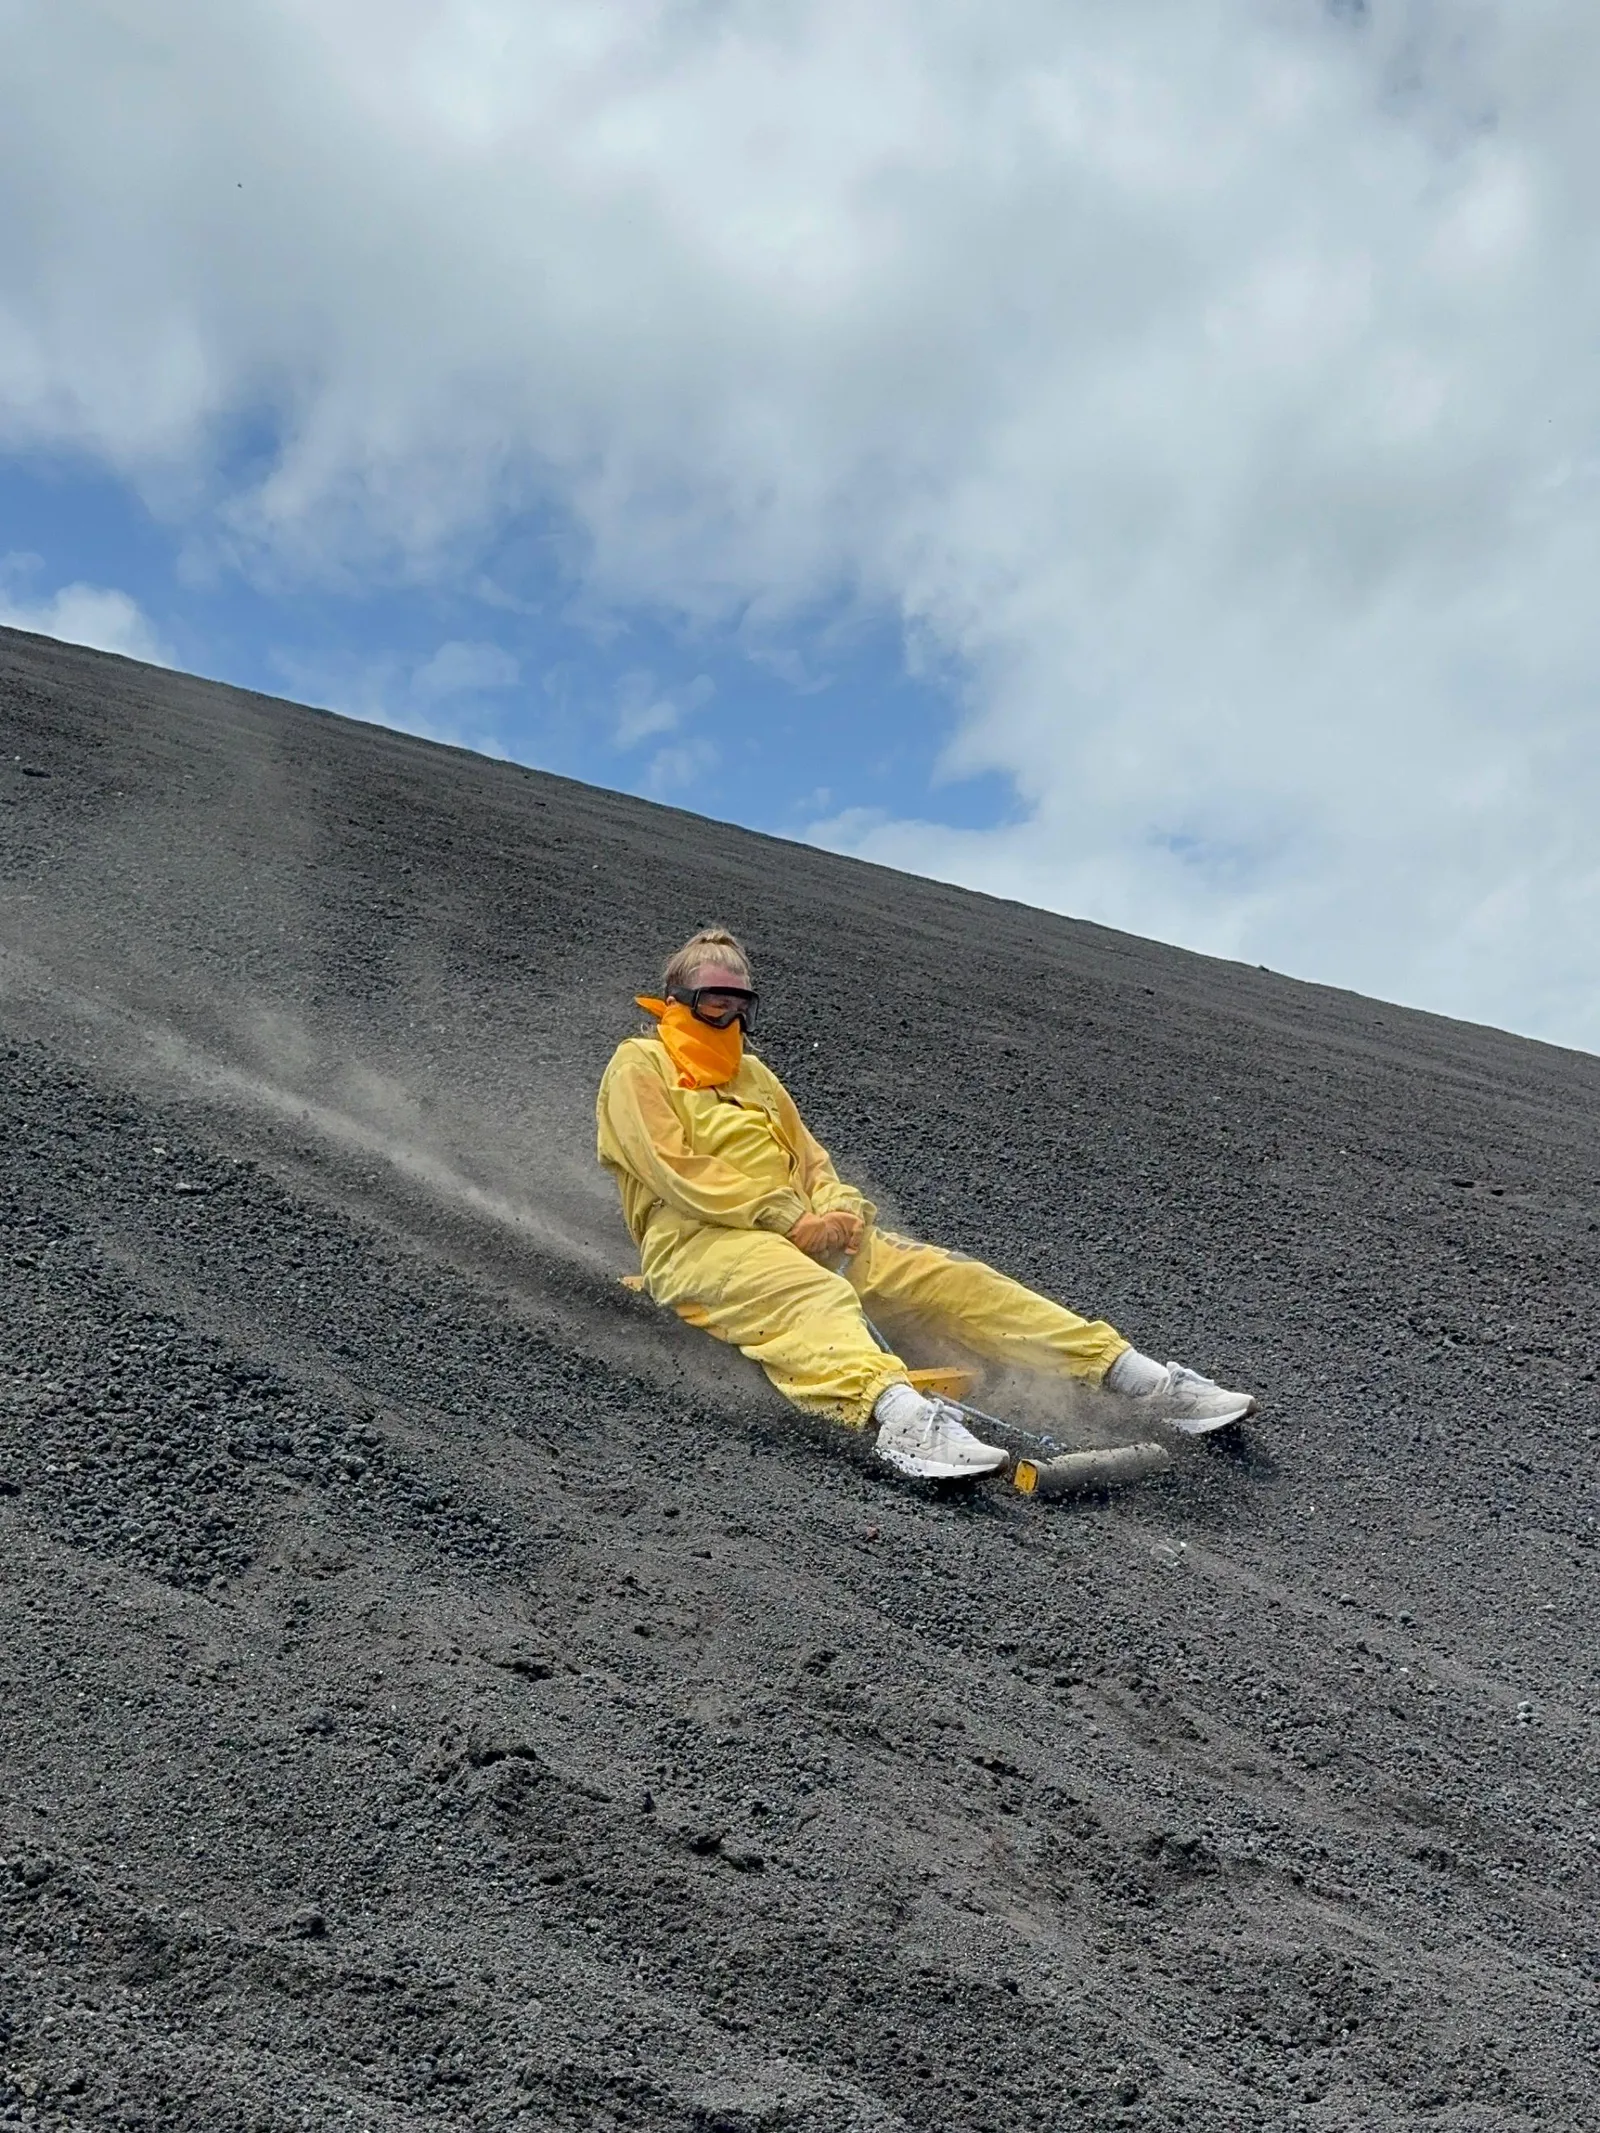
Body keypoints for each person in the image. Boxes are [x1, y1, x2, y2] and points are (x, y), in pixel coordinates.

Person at [595, 927, 1256, 1481]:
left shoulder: (755, 1076)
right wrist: (790, 1217)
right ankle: (902, 1420)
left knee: (956, 1280)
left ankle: (1138, 1378)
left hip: (806, 1232)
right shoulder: (639, 1065)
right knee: (813, 1297)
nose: (729, 1017)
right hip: (704, 1244)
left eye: (740, 1003)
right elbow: (679, 1170)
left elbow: (812, 1160)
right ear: (680, 997)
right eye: (715, 1001)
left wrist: (841, 1212)